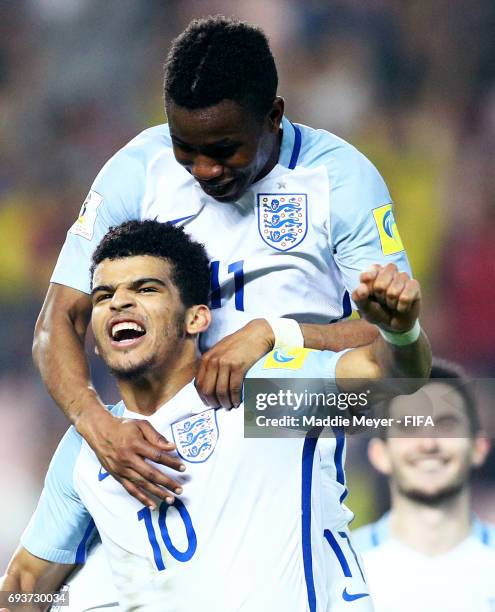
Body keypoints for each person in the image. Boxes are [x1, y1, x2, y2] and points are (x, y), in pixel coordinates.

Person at [33, 15, 413, 508]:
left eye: (224, 149)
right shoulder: (137, 171)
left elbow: (396, 350)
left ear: (273, 115)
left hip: (281, 451)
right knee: (28, 583)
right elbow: (57, 320)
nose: (205, 170)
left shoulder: (338, 180)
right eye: (184, 149)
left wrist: (272, 333)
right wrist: (97, 425)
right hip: (153, 465)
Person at [3, 220, 430, 611]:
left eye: (146, 289)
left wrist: (400, 331)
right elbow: (24, 584)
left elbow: (388, 373)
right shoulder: (89, 446)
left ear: (196, 318)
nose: (120, 303)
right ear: (96, 339)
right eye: (104, 296)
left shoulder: (254, 398)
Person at [352, 360, 495, 612]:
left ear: (478, 447)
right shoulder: (342, 567)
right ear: (379, 454)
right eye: (409, 426)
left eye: (447, 426)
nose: (429, 444)